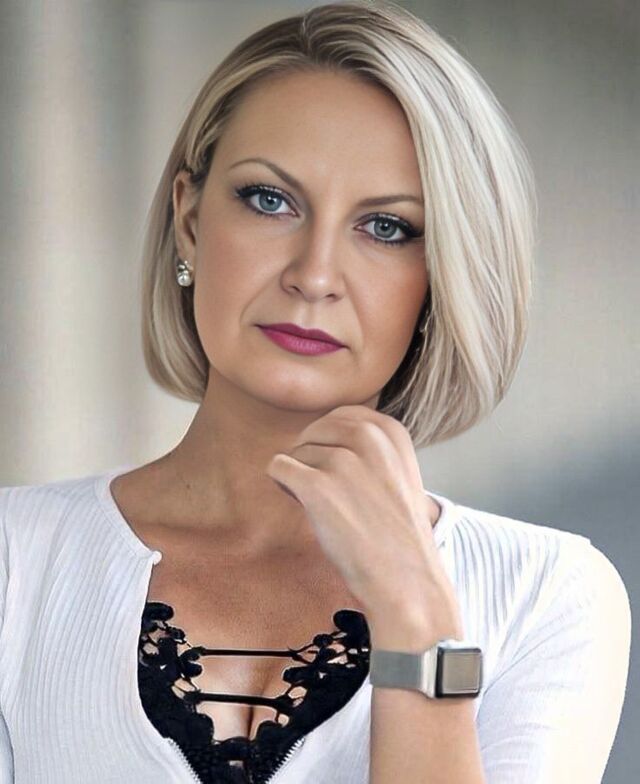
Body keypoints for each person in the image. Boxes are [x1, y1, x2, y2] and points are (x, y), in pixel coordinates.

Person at [0, 2, 631, 783]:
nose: (315, 274)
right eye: (271, 200)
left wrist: (416, 616)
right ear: (190, 221)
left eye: (387, 228)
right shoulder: (15, 561)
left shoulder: (549, 595)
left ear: (441, 277)